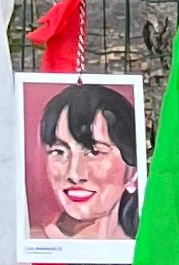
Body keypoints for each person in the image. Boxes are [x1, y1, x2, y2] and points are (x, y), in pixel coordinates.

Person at [29, 79, 140, 248]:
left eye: (94, 152)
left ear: (132, 173)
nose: (74, 174)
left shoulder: (149, 250)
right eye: (59, 152)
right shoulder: (31, 245)